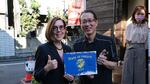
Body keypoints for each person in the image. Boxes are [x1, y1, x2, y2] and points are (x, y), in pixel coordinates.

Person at [73, 10, 118, 84]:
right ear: (80, 24)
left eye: (90, 21)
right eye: (84, 22)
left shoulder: (108, 41)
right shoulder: (77, 44)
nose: (87, 24)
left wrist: (104, 62)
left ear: (96, 22)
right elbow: (76, 66)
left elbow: (115, 65)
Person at [34, 17, 74, 84]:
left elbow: (71, 74)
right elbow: (37, 77)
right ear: (50, 30)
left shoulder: (68, 49)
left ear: (64, 29)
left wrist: (72, 78)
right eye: (54, 28)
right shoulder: (43, 49)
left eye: (61, 27)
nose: (58, 30)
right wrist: (46, 68)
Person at [121, 5, 148, 84]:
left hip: (141, 50)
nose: (140, 16)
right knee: (127, 71)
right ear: (134, 15)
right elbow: (126, 40)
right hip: (130, 49)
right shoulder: (129, 26)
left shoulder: (146, 26)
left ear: (145, 15)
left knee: (139, 73)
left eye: (142, 14)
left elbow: (146, 41)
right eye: (138, 14)